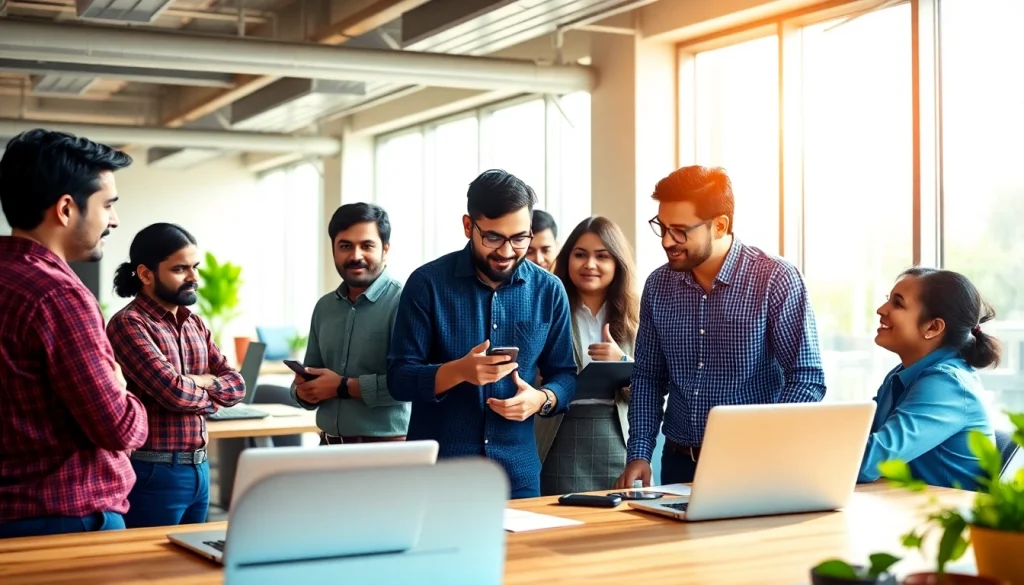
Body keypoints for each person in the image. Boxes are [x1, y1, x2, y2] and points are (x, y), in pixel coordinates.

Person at [615, 165, 826, 489]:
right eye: (662, 227)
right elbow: (649, 376)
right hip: (678, 463)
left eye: (681, 230)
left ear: (719, 225)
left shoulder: (775, 278)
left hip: (755, 465)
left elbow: (806, 376)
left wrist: (768, 445)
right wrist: (640, 452)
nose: (667, 241)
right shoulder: (659, 285)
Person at [387, 169, 577, 498]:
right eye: (493, 237)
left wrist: (542, 399)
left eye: (520, 238)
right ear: (467, 226)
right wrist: (457, 371)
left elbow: (566, 374)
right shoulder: (427, 284)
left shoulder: (549, 290)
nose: (506, 251)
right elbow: (398, 378)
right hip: (440, 473)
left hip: (518, 475)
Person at [0, 129, 148, 538]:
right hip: (66, 521)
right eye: (108, 205)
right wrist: (122, 387)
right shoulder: (58, 295)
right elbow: (119, 429)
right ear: (66, 209)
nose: (114, 220)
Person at [106, 223, 245, 528]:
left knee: (195, 567)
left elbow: (237, 385)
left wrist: (201, 382)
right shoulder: (129, 324)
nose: (194, 277)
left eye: (194, 266)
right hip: (155, 472)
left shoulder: (194, 323)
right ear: (145, 274)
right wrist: (208, 387)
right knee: (152, 571)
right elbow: (175, 393)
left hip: (200, 469)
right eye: (180, 268)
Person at [858, 268, 998, 490]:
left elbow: (867, 461)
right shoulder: (901, 374)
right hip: (909, 508)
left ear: (933, 327)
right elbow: (857, 436)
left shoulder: (947, 384)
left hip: (951, 518)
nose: (881, 310)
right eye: (888, 299)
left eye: (898, 303)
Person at [536, 216, 640, 495]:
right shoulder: (546, 310)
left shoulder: (637, 318)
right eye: (580, 254)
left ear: (617, 263)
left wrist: (622, 362)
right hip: (559, 434)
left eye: (602, 256)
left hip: (618, 436)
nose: (589, 265)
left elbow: (656, 390)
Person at [290, 203, 410, 444]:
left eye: (367, 246)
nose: (355, 256)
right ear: (333, 249)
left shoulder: (405, 302)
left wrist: (342, 386)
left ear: (385, 250)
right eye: (345, 246)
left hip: (387, 449)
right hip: (328, 445)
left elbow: (409, 384)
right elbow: (310, 373)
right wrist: (303, 392)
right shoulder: (324, 307)